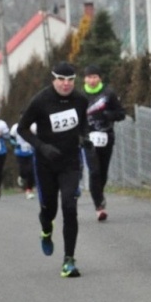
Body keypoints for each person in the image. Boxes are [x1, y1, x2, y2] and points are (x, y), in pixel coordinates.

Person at [18, 61, 91, 278]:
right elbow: (22, 128)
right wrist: (42, 147)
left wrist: (85, 138)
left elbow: (83, 123)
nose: (65, 84)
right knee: (49, 210)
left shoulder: (80, 100)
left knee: (70, 206)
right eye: (61, 79)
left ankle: (69, 260)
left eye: (70, 80)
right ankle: (46, 231)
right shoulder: (41, 100)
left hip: (70, 162)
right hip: (45, 163)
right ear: (53, 80)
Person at [82, 64, 126, 221]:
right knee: (94, 171)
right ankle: (99, 206)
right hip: (88, 139)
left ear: (100, 78)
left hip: (106, 136)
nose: (92, 80)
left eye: (95, 77)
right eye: (89, 77)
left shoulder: (109, 94)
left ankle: (99, 194)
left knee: (102, 172)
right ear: (84, 79)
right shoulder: (80, 96)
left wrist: (109, 115)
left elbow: (121, 113)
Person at [10, 119, 36, 199]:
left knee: (31, 170)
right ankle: (21, 176)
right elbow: (11, 138)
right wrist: (15, 144)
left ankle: (29, 189)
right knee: (23, 170)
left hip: (31, 152)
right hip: (20, 152)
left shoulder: (34, 126)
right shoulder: (15, 127)